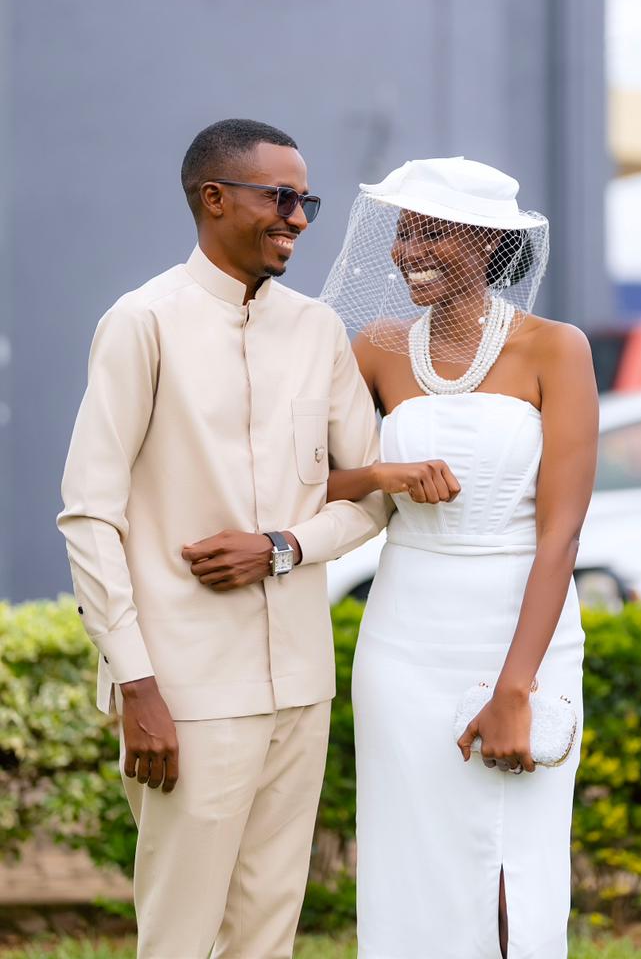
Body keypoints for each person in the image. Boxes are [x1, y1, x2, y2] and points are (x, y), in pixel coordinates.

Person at [57, 118, 390, 959]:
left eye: (306, 201)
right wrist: (137, 685)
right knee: (179, 933)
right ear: (214, 198)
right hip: (184, 688)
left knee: (268, 931)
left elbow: (371, 494)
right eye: (281, 198)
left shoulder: (317, 331)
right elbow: (90, 513)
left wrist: (282, 545)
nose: (299, 218)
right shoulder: (143, 322)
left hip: (301, 684)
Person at [321, 157, 598, 959]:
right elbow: (304, 478)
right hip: (404, 636)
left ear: (488, 243)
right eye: (403, 232)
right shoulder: (374, 349)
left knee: (514, 866)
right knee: (413, 856)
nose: (408, 250)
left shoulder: (556, 348)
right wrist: (383, 474)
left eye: (431, 232)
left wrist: (516, 688)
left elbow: (562, 535)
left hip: (523, 627)